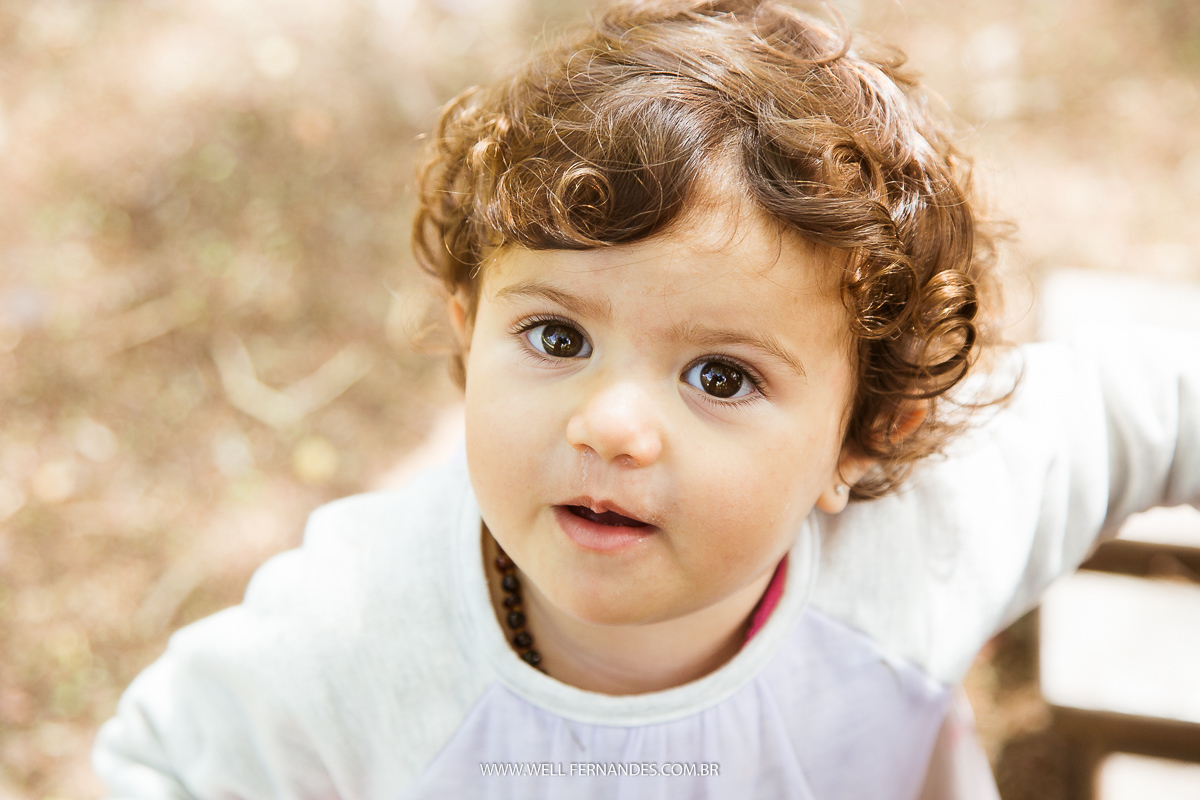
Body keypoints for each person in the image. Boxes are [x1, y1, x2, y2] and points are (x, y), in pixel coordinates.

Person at [92, 1, 1200, 798]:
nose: (611, 425)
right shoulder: (358, 633)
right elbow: (162, 767)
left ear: (863, 438)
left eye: (721, 376)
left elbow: (1156, 405)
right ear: (469, 331)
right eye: (558, 336)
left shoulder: (931, 533)